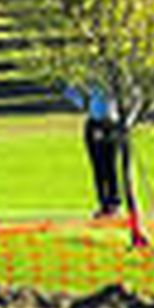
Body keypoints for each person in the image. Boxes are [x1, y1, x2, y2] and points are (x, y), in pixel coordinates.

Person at [66, 84, 123, 218]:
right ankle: (104, 204)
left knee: (111, 165)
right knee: (99, 167)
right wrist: (84, 102)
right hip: (95, 122)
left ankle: (114, 203)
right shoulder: (88, 81)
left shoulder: (112, 81)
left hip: (111, 123)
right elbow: (71, 92)